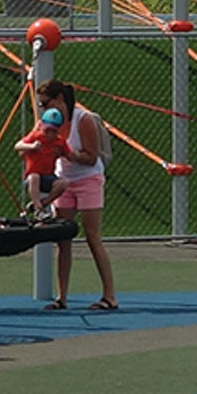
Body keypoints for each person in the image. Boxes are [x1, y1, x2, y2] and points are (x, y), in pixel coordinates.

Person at [33, 81, 122, 311]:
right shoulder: (48, 123)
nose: (43, 109)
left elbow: (92, 157)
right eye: (41, 105)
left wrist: (68, 154)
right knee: (63, 239)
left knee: (92, 236)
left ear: (60, 99)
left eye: (46, 103)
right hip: (64, 181)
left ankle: (109, 295)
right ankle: (62, 297)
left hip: (88, 179)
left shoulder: (83, 120)